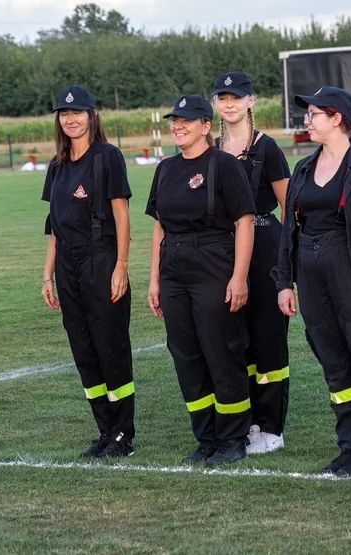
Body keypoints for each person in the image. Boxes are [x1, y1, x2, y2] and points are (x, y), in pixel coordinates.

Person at [272, 87, 351, 476]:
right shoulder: (304, 169)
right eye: (308, 114)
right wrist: (283, 281)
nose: (307, 121)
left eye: (314, 114)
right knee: (333, 360)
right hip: (311, 270)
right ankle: (348, 443)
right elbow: (288, 230)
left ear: (338, 119)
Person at [146, 94, 256, 465]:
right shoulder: (165, 169)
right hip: (173, 266)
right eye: (174, 120)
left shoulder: (223, 166)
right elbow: (159, 227)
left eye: (186, 120)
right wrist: (155, 281)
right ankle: (206, 436)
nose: (177, 126)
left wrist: (239, 277)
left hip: (213, 260)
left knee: (221, 350)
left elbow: (244, 222)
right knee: (186, 354)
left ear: (205, 126)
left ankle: (233, 437)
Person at [40, 85, 135, 458]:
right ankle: (104, 431)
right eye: (64, 114)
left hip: (101, 260)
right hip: (67, 264)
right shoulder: (57, 164)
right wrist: (48, 275)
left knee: (110, 348)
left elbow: (121, 215)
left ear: (92, 116)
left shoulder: (107, 157)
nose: (71, 119)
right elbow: (53, 225)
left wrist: (120, 267)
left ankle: (123, 435)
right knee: (84, 350)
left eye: (77, 113)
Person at [212, 71, 291, 455]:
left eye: (235, 97)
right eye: (221, 98)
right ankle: (242, 423)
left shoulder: (267, 148)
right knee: (232, 340)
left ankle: (270, 426)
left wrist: (289, 263)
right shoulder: (210, 147)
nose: (228, 104)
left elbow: (290, 206)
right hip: (220, 250)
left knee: (267, 338)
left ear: (250, 101)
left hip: (264, 246)